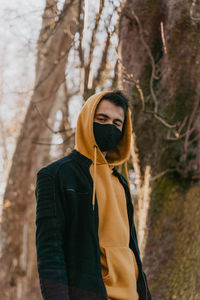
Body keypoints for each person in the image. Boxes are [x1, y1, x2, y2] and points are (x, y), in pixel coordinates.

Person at [35, 91, 151, 300]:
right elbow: (50, 252)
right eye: (102, 119)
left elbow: (131, 248)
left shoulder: (120, 182)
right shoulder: (56, 175)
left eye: (117, 123)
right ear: (87, 119)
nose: (110, 126)